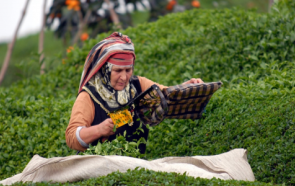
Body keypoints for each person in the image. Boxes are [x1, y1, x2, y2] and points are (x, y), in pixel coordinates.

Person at [65, 32, 203, 154]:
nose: (124, 77)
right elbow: (71, 137)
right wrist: (99, 130)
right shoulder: (88, 96)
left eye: (128, 70)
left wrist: (187, 87)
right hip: (99, 169)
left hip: (134, 166)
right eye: (118, 71)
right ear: (105, 70)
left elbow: (166, 95)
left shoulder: (138, 85)